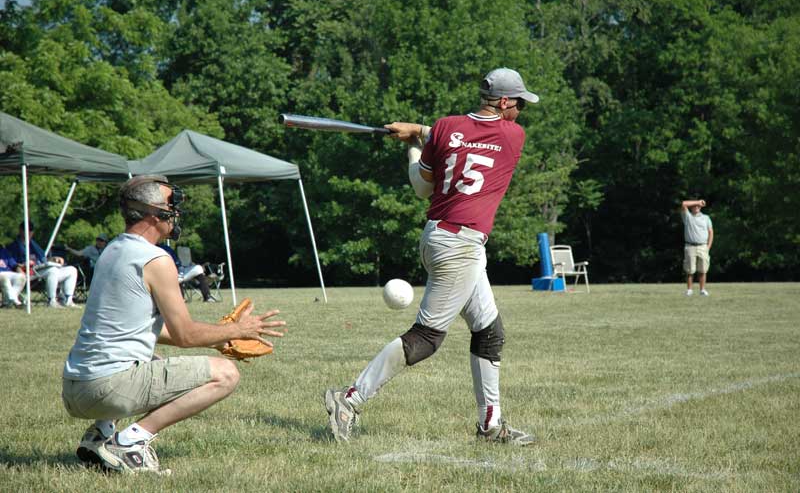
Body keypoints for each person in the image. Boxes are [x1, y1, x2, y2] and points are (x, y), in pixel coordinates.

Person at [324, 68, 538, 445]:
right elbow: (464, 137)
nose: (520, 110)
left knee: (489, 332)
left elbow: (422, 187)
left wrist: (414, 142)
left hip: (442, 238)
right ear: (504, 102)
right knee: (426, 339)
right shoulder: (512, 135)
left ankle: (490, 427)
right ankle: (349, 399)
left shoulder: (444, 128)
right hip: (460, 248)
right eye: (518, 102)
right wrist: (418, 132)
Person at [62, 175, 287, 475]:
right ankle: (130, 443)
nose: (176, 212)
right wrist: (238, 331)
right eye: (172, 204)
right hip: (106, 389)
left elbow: (145, 329)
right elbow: (184, 334)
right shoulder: (155, 259)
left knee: (152, 360)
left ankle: (99, 435)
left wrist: (215, 339)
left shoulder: (114, 249)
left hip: (75, 389)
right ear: (154, 213)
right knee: (226, 374)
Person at [6, 221, 79, 308]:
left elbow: (43, 258)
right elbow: (12, 263)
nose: (28, 232)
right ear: (20, 230)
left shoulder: (33, 244)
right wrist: (22, 265)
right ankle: (52, 300)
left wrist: (55, 259)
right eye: (26, 230)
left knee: (72, 270)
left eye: (31, 230)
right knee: (52, 270)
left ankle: (68, 300)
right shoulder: (13, 246)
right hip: (27, 272)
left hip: (40, 269)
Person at [681, 198, 714, 296]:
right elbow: (683, 204)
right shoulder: (687, 216)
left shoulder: (706, 218)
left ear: (700, 207)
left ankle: (702, 290)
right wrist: (698, 202)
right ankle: (689, 290)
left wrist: (708, 246)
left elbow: (711, 232)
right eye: (694, 206)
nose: (696, 207)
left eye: (698, 206)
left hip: (703, 246)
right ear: (691, 207)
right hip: (690, 246)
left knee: (703, 270)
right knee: (690, 270)